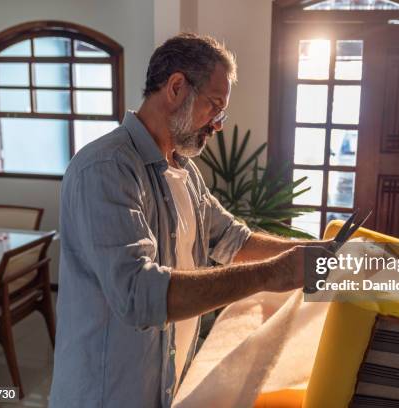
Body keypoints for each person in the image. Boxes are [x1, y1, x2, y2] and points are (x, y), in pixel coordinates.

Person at [49, 33, 332, 408]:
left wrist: (311, 252)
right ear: (177, 87)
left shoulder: (183, 171)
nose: (217, 124)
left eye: (221, 112)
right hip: (105, 395)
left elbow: (233, 241)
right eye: (214, 106)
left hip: (162, 388)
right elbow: (138, 295)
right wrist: (272, 275)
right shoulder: (106, 169)